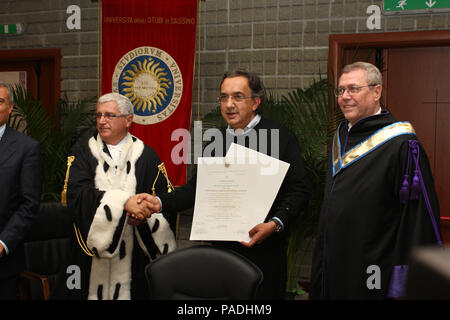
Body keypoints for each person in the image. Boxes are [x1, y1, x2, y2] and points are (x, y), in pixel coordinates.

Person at [141, 70, 310, 299]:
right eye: (223, 97)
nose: (229, 104)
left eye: (238, 96)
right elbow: (195, 190)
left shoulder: (280, 136)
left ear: (255, 103)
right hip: (221, 256)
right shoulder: (213, 140)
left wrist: (275, 223)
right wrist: (158, 202)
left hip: (265, 254)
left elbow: (298, 189)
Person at [309, 62, 443, 300]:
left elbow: (417, 220)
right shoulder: (341, 135)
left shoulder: (401, 145)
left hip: (374, 265)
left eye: (353, 89)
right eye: (340, 91)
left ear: (377, 91)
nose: (345, 97)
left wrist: (404, 281)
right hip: (333, 258)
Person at [55, 93, 176, 300]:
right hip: (89, 258)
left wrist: (143, 216)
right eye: (99, 115)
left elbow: (165, 202)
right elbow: (76, 196)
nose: (102, 121)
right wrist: (123, 203)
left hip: (134, 258)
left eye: (110, 115)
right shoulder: (82, 153)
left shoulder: (147, 156)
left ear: (128, 120)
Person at [0, 81, 41, 299]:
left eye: (0, 101)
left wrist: (3, 242)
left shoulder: (27, 148)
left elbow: (29, 205)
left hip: (3, 263)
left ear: (10, 108)